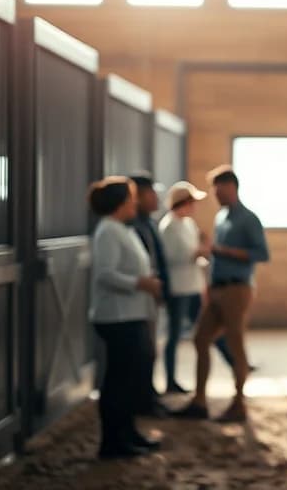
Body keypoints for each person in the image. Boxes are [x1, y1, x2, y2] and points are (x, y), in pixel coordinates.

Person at [173, 165, 269, 422]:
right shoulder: (221, 217)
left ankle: (239, 403)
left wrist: (223, 251)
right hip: (217, 288)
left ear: (232, 187)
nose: (216, 195)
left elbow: (262, 253)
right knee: (200, 339)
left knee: (235, 345)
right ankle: (199, 401)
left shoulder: (248, 219)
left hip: (237, 288)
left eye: (219, 190)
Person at [87, 176, 162, 459]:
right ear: (119, 203)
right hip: (117, 317)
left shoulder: (122, 229)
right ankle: (112, 442)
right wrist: (140, 283)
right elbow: (105, 274)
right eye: (131, 198)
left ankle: (128, 433)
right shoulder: (108, 231)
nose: (135, 203)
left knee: (129, 379)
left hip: (132, 313)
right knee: (118, 381)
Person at [158, 181, 238, 394]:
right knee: (174, 335)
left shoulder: (188, 224)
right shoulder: (169, 227)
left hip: (192, 286)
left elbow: (195, 252)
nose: (194, 207)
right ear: (183, 203)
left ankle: (235, 362)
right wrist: (200, 252)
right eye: (191, 202)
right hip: (178, 289)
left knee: (210, 328)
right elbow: (172, 257)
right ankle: (170, 380)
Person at [127, 174, 171, 417]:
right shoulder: (130, 226)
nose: (157, 199)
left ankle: (148, 395)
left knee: (150, 348)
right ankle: (142, 399)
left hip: (151, 292)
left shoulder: (149, 224)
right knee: (143, 350)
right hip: (139, 295)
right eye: (151, 194)